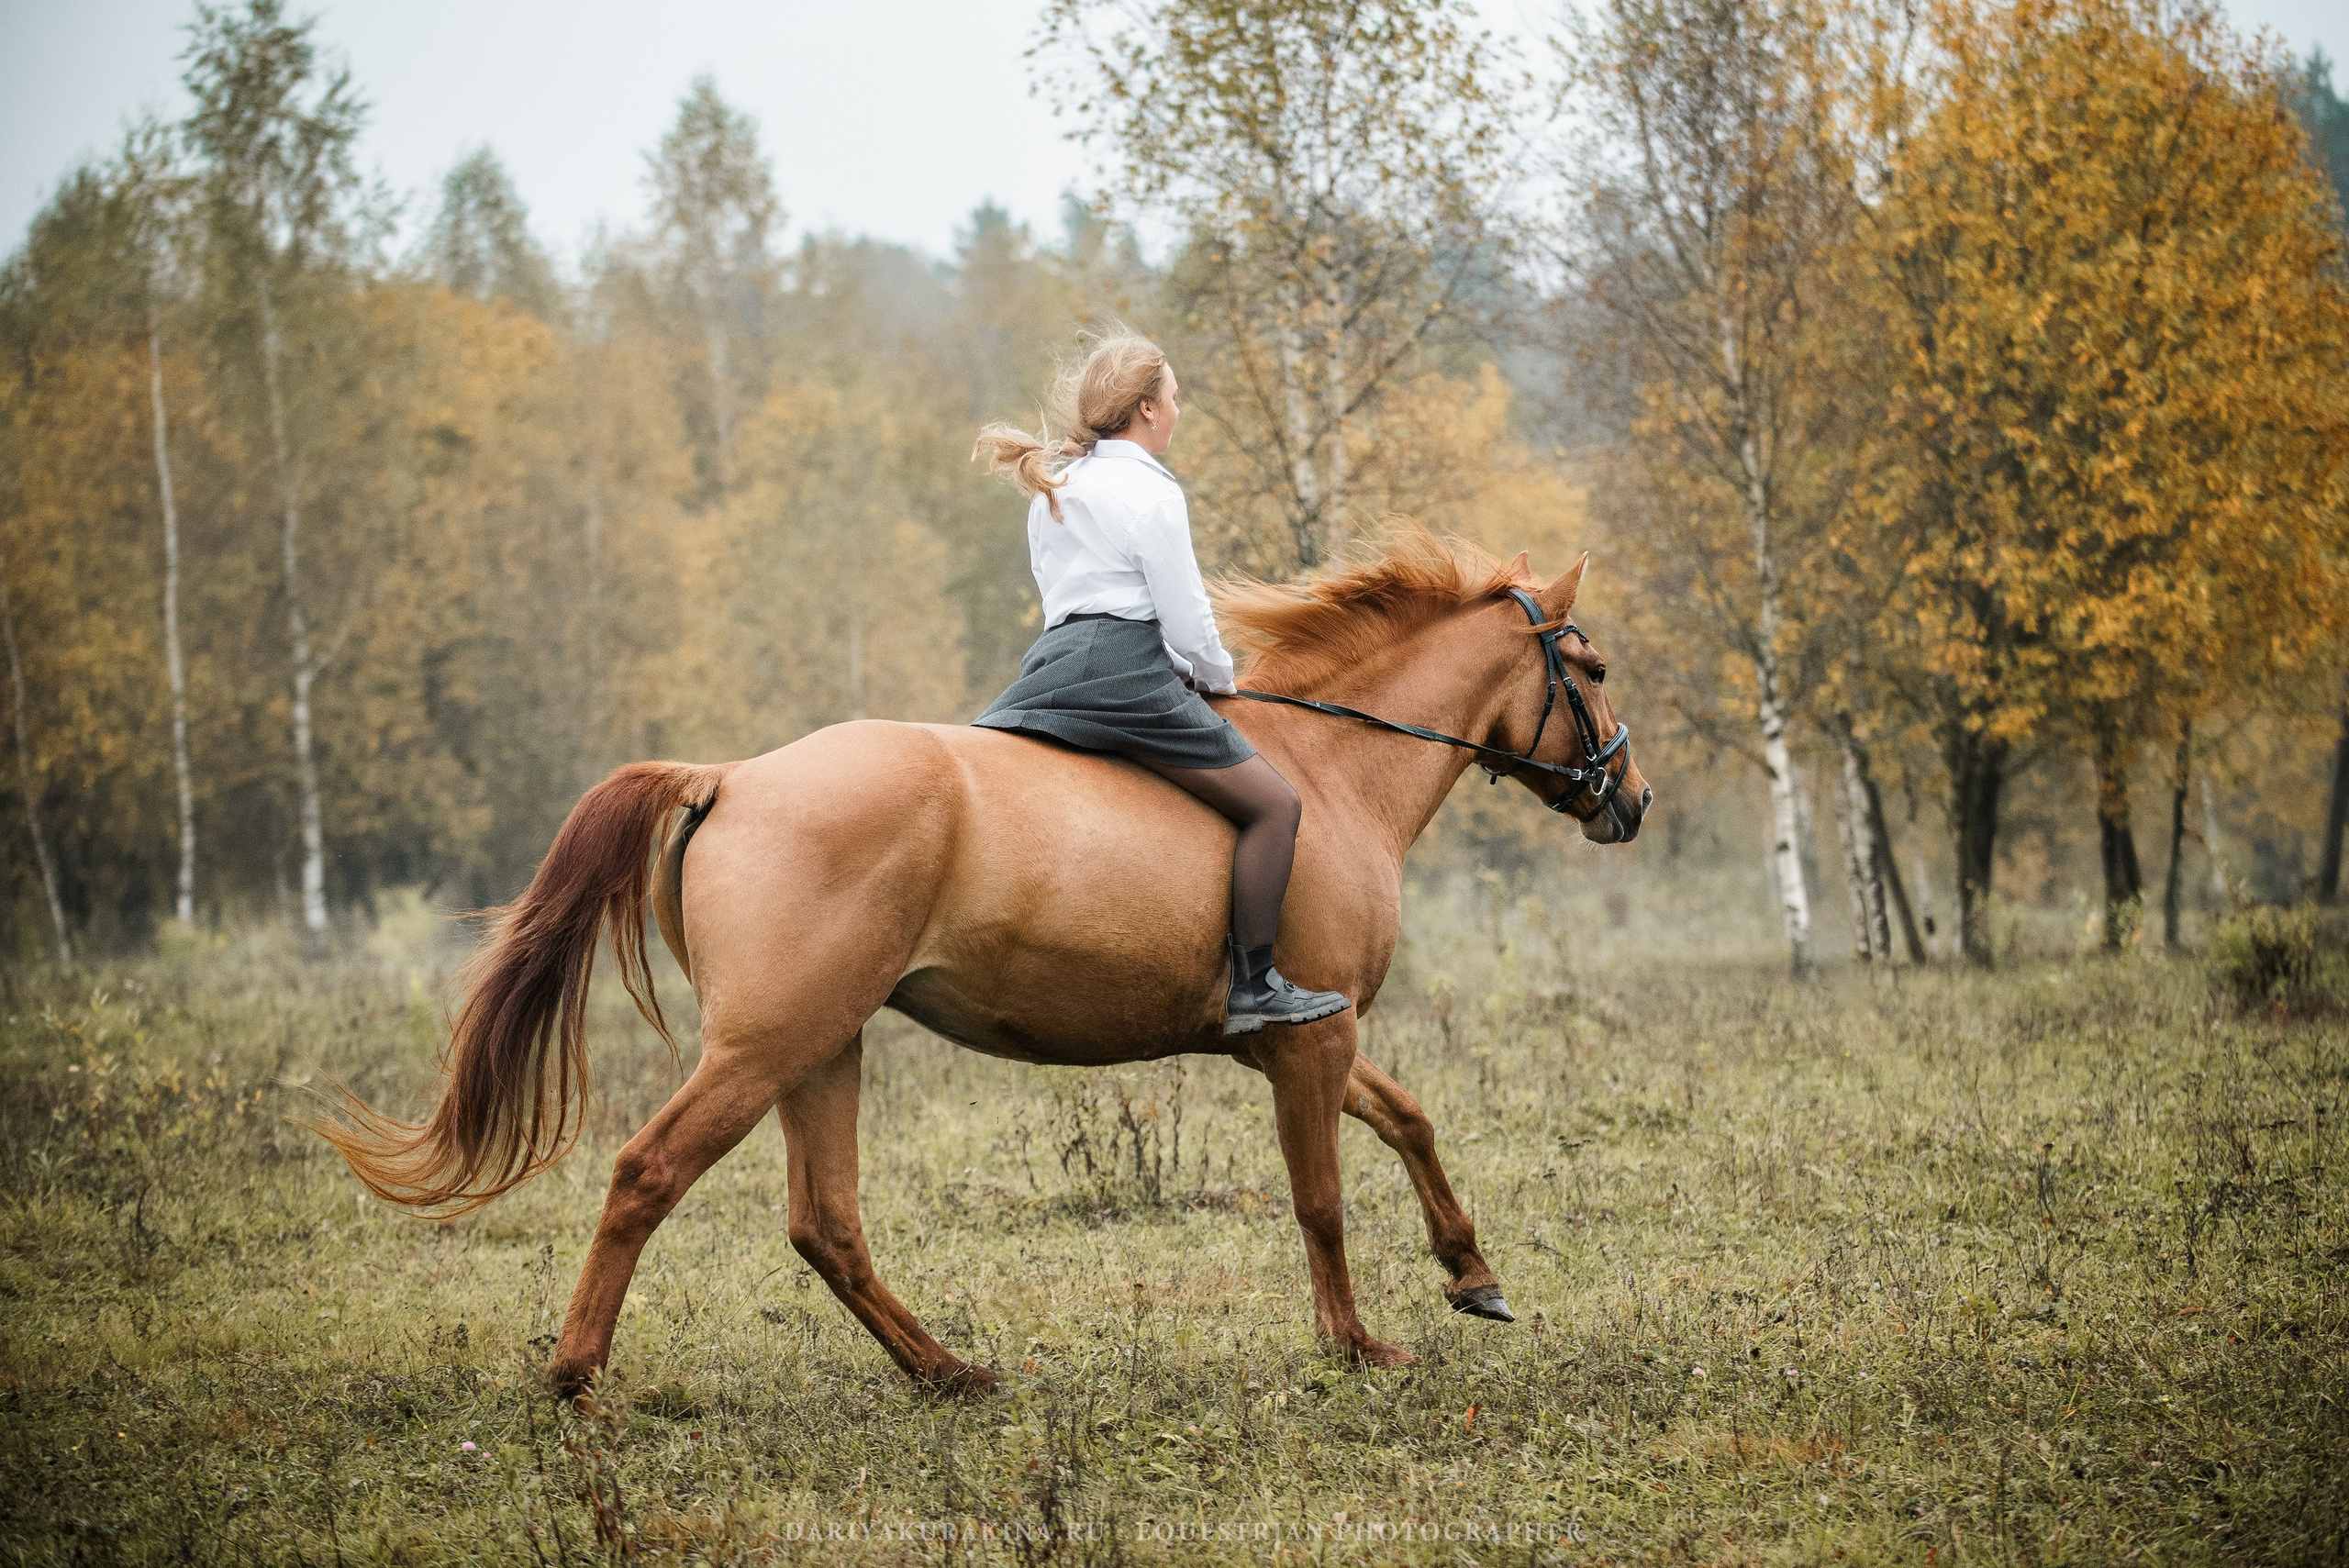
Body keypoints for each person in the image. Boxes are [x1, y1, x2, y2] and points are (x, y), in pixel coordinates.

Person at [971, 333, 1352, 1035]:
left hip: (1051, 667)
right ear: (1147, 409)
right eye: (1174, 398)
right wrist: (1215, 679)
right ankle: (1255, 984)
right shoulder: (1150, 489)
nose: (1178, 409)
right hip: (1125, 674)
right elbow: (1187, 619)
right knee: (1275, 806)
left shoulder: (1056, 486)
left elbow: (1071, 601)